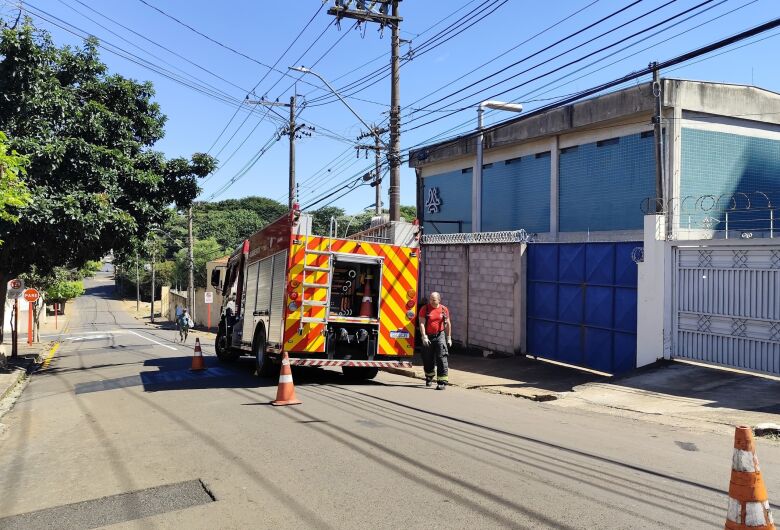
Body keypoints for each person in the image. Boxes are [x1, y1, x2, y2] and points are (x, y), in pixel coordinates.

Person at [418, 291, 452, 390]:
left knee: (442, 357)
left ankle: (442, 381)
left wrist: (449, 338)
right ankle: (429, 376)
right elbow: (421, 324)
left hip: (440, 335)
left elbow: (448, 324)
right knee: (427, 358)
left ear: (439, 300)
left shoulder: (444, 309)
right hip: (428, 336)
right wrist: (424, 336)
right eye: (431, 299)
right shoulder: (425, 309)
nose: (432, 301)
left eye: (434, 300)